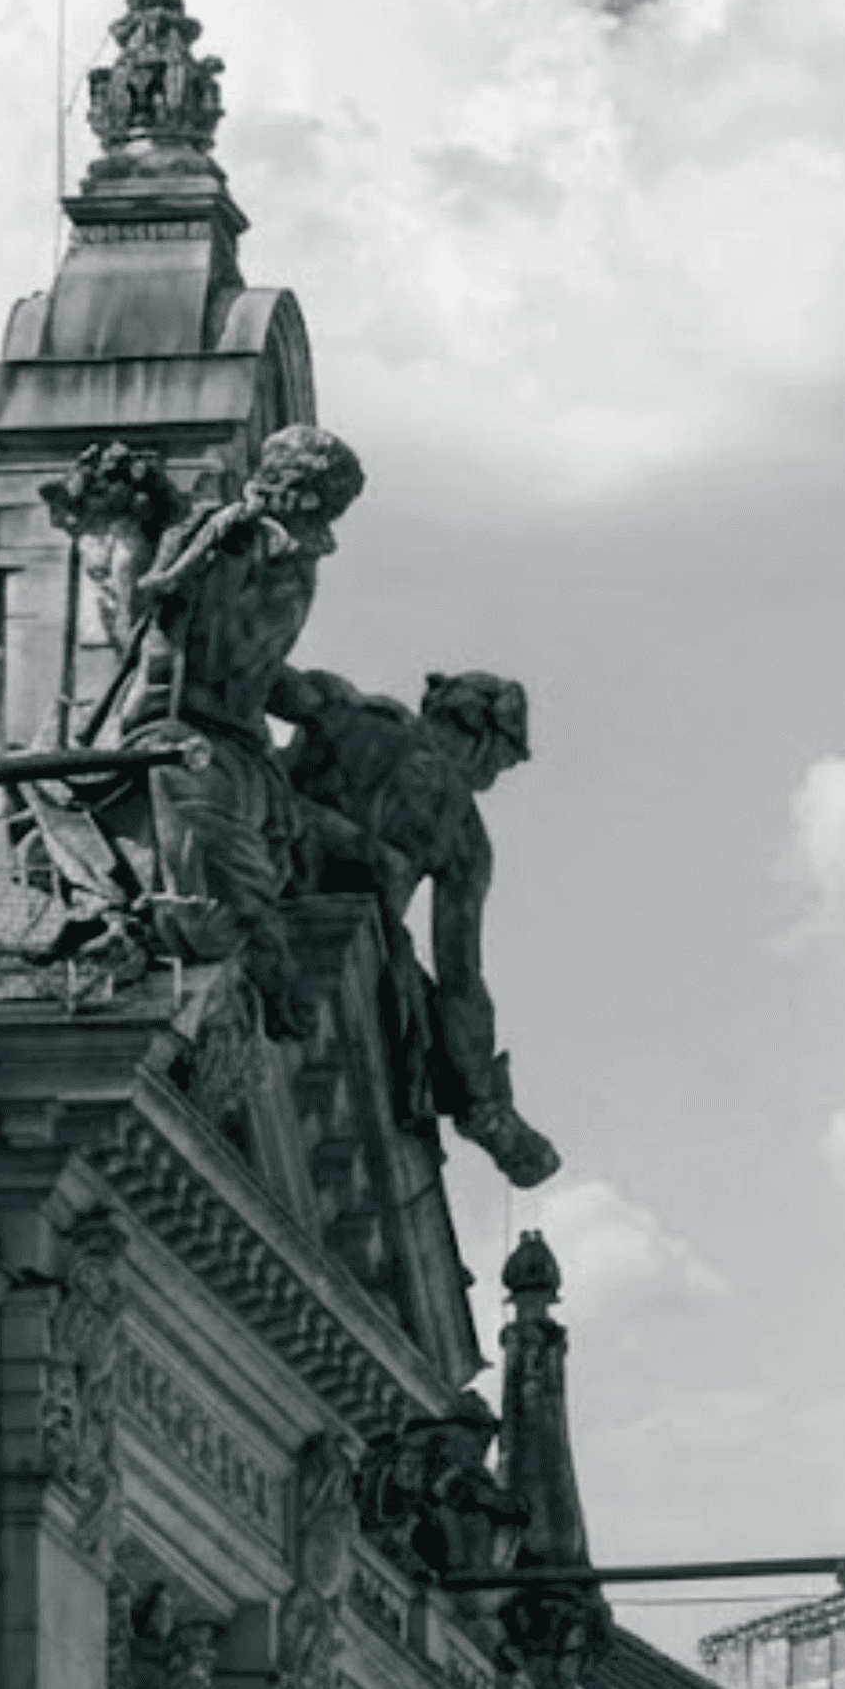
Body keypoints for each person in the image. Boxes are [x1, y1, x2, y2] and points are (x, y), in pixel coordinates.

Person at [112, 424, 364, 1036]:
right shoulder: (225, 540)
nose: (328, 523)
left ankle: (267, 976)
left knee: (282, 856)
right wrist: (136, 542)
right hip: (178, 734)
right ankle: (269, 979)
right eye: (327, 501)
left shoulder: (291, 561)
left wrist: (318, 703)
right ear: (300, 492)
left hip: (246, 749)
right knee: (229, 883)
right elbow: (148, 615)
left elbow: (253, 663)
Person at [276, 665, 560, 1186]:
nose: (494, 777)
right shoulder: (463, 834)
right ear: (481, 738)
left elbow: (260, 683)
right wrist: (479, 1093)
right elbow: (461, 977)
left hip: (301, 904)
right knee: (422, 1012)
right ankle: (485, 1115)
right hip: (322, 916)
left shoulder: (355, 714)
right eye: (500, 761)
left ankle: (483, 1110)